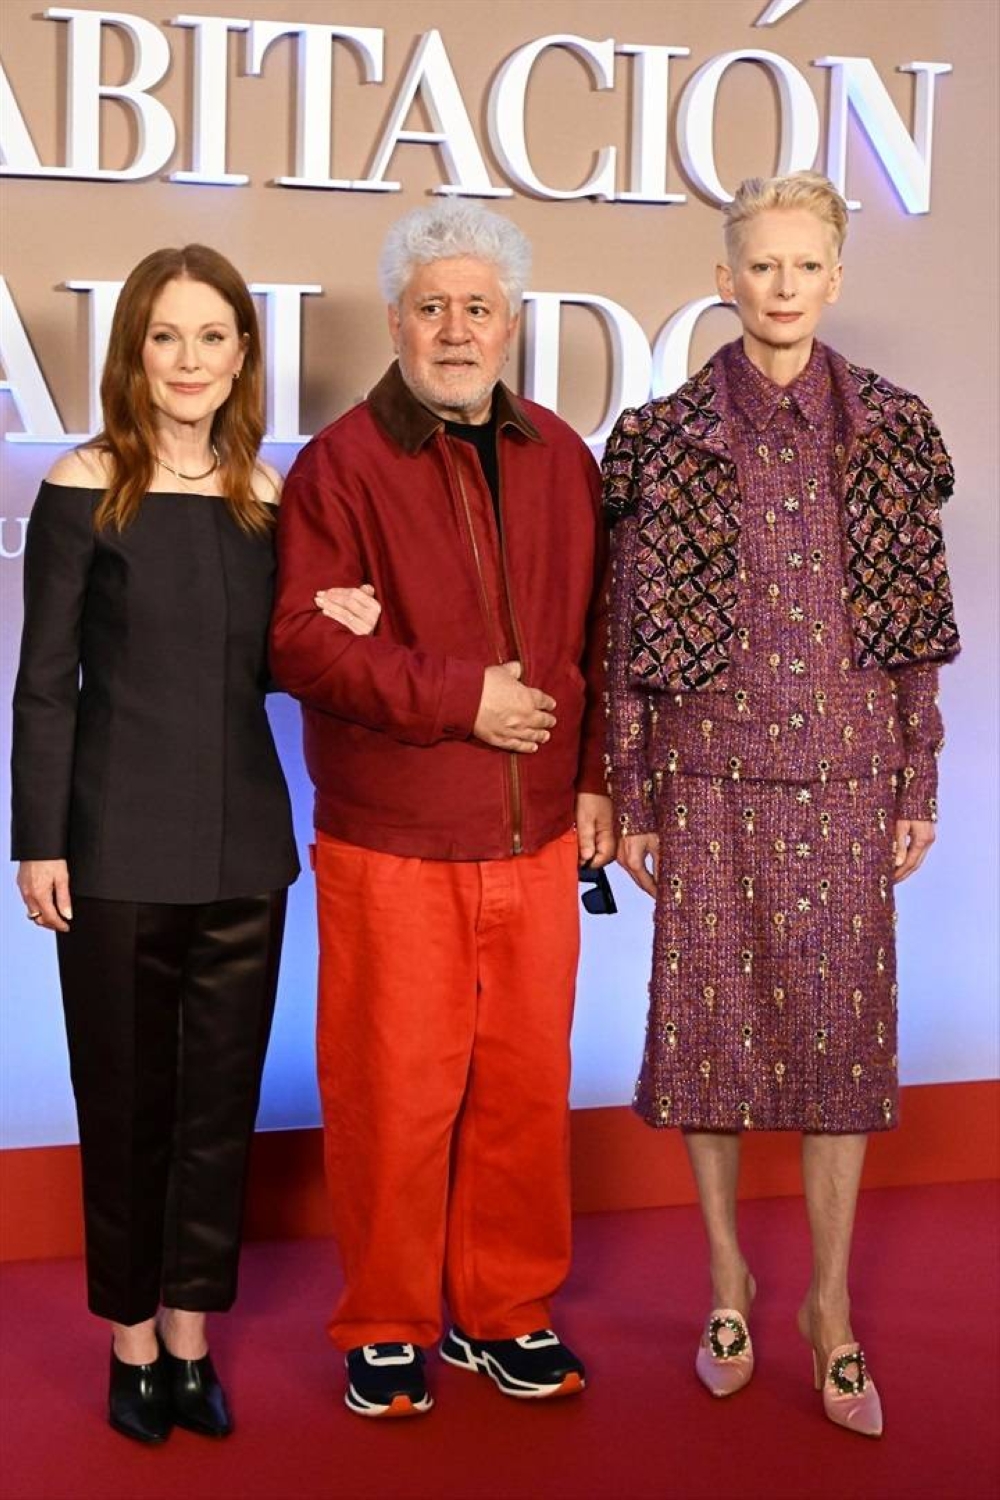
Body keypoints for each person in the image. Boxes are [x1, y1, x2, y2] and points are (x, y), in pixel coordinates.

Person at [603, 172, 959, 1438]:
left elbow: (915, 631)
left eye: (803, 266)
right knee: (707, 1054)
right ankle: (726, 1285)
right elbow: (623, 633)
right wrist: (632, 791)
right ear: (723, 277)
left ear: (834, 279)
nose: (781, 287)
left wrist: (919, 777)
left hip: (851, 777)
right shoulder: (661, 436)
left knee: (838, 1055)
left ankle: (833, 1311)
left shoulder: (893, 430)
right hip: (703, 779)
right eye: (759, 266)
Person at [10, 244, 378, 1445]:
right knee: (124, 1103)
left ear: (241, 355)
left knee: (217, 1106)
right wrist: (38, 842)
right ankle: (126, 1343)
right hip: (109, 847)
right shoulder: (79, 485)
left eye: (210, 336)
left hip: (241, 850)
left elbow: (270, 667)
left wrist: (338, 617)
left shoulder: (268, 500)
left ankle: (187, 1339)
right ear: (134, 351)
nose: (188, 360)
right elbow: (45, 687)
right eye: (165, 336)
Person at [270, 201, 614, 1418]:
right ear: (395, 321)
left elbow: (597, 642)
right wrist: (464, 698)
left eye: (476, 307)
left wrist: (595, 778)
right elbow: (302, 643)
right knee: (393, 1092)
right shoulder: (338, 466)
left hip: (538, 840)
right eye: (432, 307)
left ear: (510, 321)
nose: (455, 329)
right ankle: (384, 1321)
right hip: (393, 841)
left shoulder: (563, 456)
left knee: (524, 1086)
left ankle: (505, 1309)